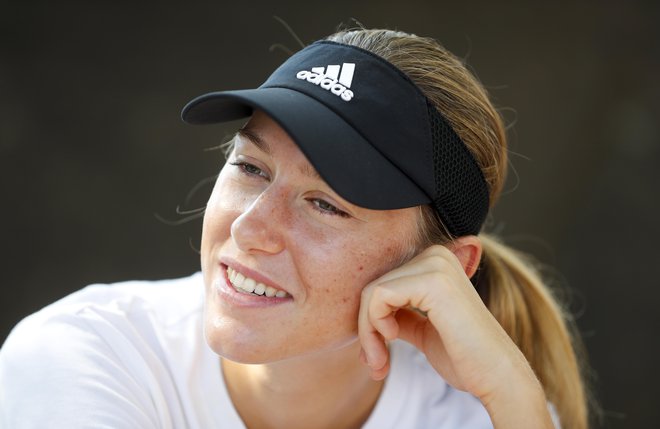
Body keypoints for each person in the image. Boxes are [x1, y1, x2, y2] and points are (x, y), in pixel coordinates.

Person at [0, 28, 590, 428]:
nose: (252, 228)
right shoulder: (86, 358)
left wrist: (517, 397)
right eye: (251, 168)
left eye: (326, 204)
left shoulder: (475, 414)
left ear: (447, 268)